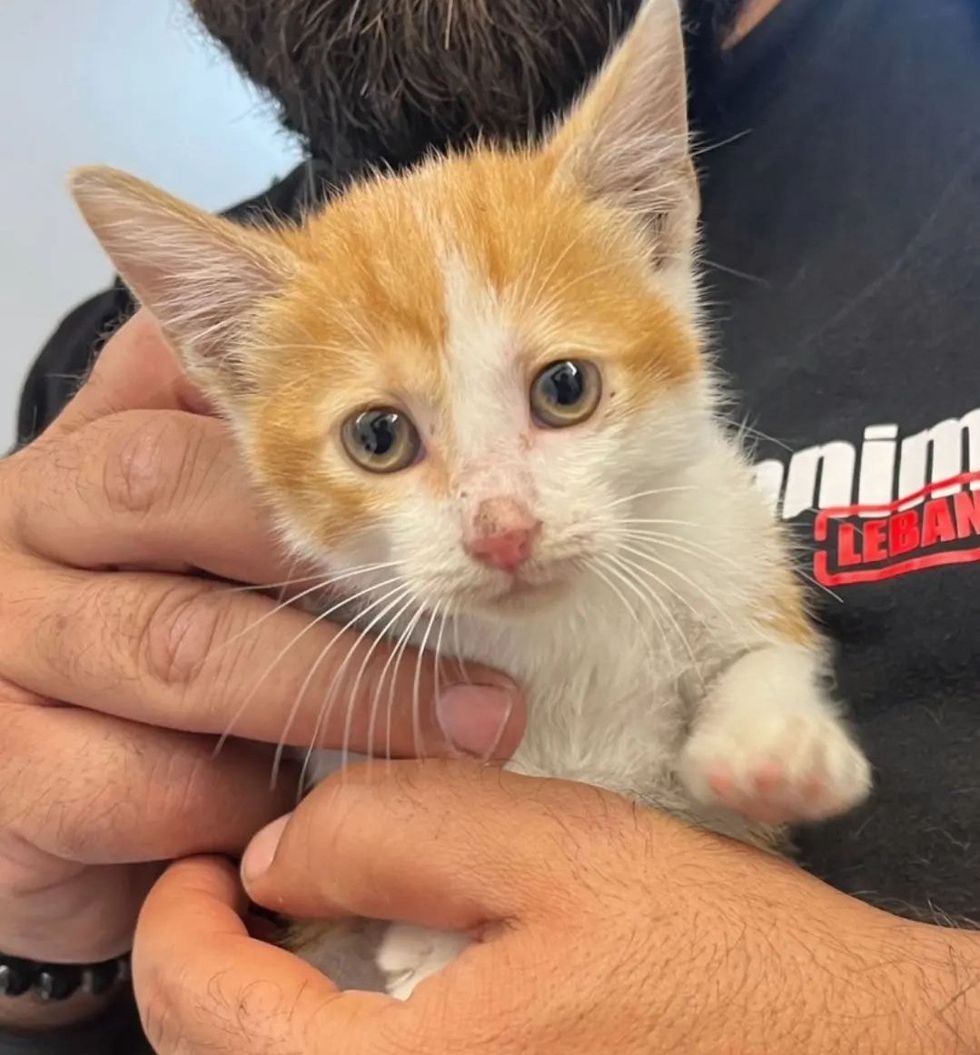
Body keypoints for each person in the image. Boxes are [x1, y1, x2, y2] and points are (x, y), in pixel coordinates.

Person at [1, 0, 977, 1050]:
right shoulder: (103, 400)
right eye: (380, 437)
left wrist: (862, 1011)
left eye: (563, 388)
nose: (499, 524)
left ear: (657, 222)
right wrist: (40, 937)